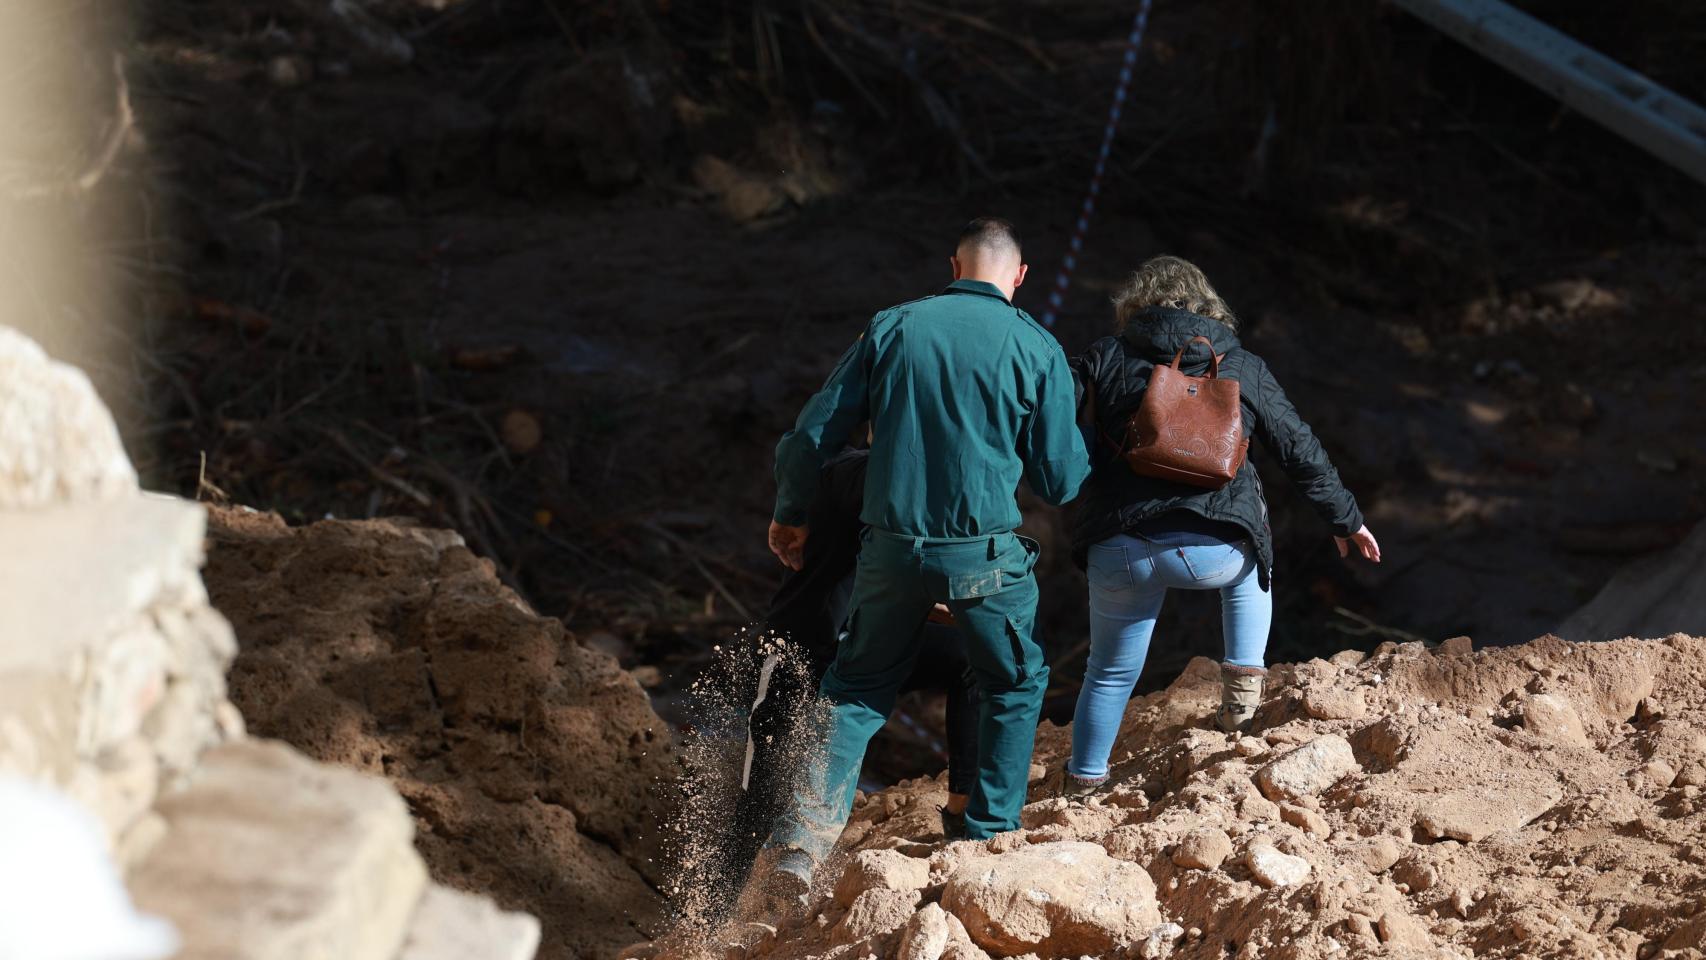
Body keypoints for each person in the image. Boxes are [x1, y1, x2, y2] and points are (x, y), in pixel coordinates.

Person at [763, 218, 1090, 895]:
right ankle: (986, 834)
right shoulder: (1037, 346)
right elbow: (1061, 481)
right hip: (984, 560)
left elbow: (810, 436)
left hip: (890, 550)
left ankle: (800, 846)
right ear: (1019, 277)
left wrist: (791, 514)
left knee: (855, 689)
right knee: (1013, 681)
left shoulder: (893, 326)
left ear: (953, 264)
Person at [1063, 255, 1380, 795]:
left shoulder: (1104, 355)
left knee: (1110, 671)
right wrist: (1345, 518)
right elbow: (1297, 447)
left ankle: (1085, 781)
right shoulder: (1241, 364)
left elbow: (1052, 426)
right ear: (1209, 307)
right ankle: (1239, 710)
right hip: (1216, 552)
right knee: (1254, 559)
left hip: (1120, 546)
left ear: (1135, 305)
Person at [727, 445, 980, 893]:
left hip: (865, 646)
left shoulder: (909, 483)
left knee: (969, 656)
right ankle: (712, 916)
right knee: (759, 794)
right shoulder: (852, 472)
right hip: (799, 652)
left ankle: (963, 809)